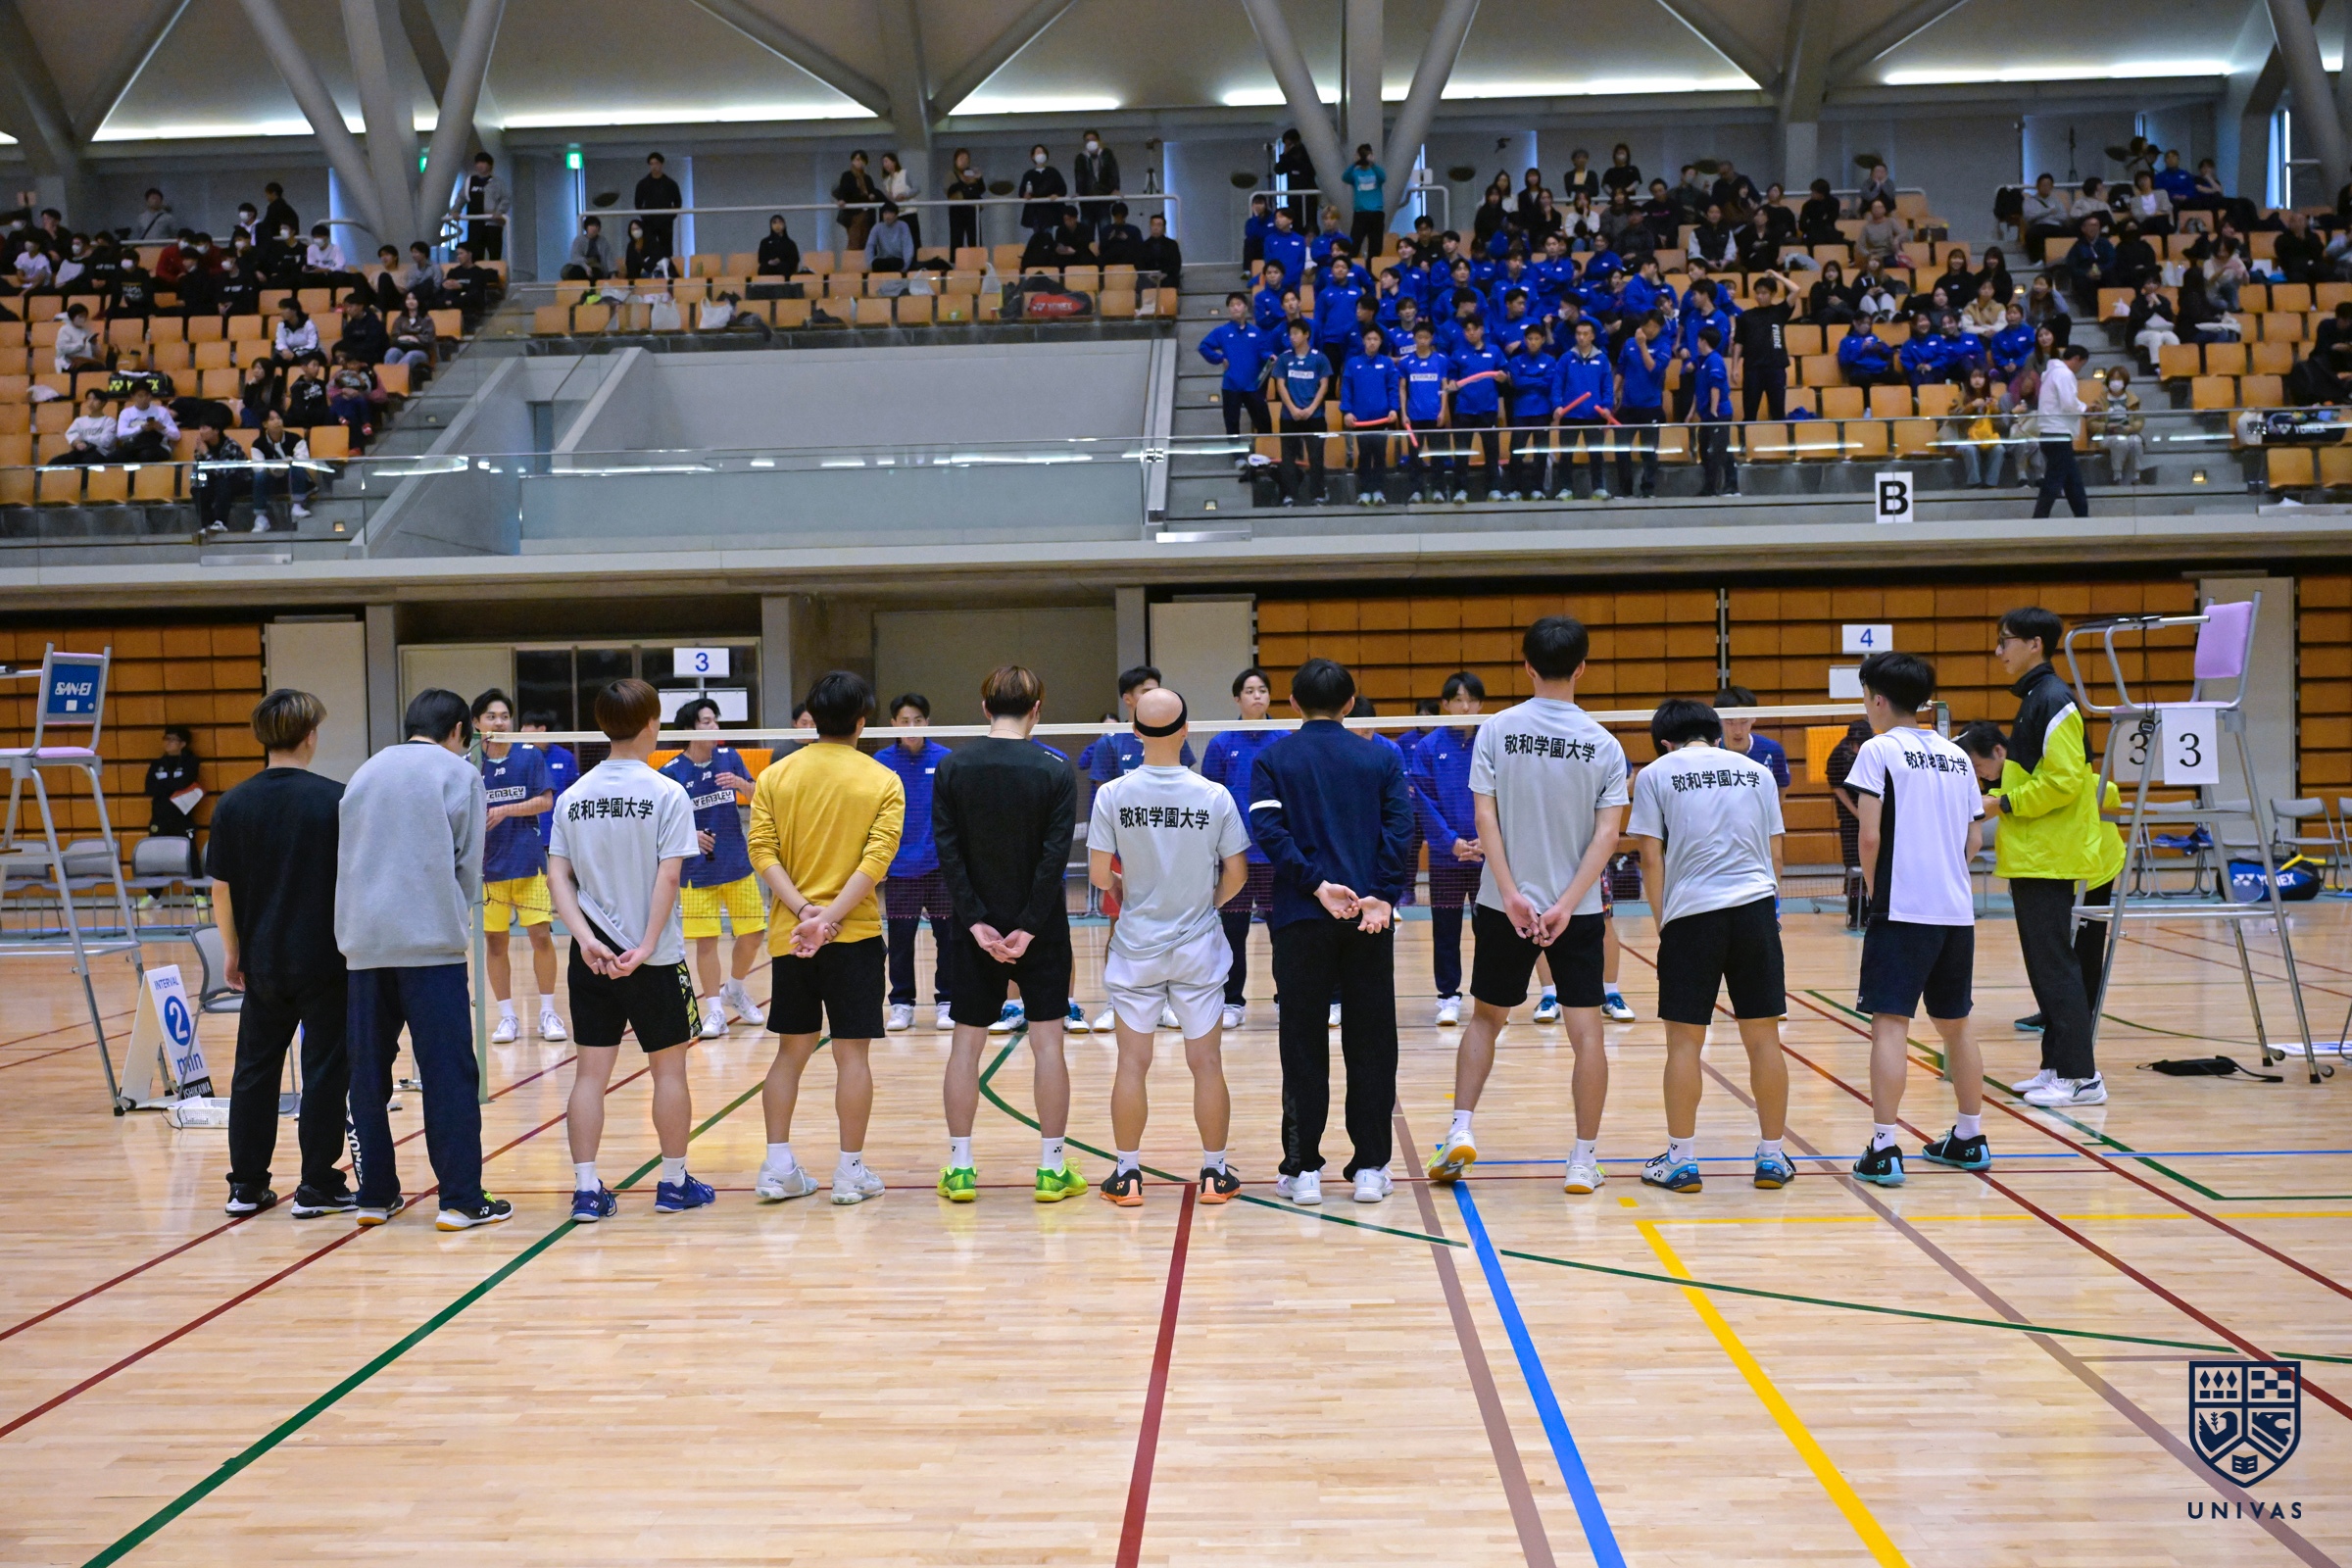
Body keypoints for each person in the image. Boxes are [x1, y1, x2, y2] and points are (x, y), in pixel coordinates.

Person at [1423, 618, 1627, 1196]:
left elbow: (1484, 817)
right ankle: (1583, 1160)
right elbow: (1607, 836)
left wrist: (1511, 892)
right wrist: (1566, 903)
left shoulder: (1495, 730)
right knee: (1587, 1032)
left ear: (1527, 666)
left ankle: (1460, 1128)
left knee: (1487, 1018)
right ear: (1582, 667)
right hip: (1576, 913)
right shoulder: (1604, 744)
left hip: (1501, 905)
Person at [337, 689, 509, 1231]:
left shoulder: (365, 772)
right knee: (447, 1073)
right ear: (459, 730)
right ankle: (461, 1199)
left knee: (367, 1075)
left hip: (363, 947)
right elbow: (469, 862)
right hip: (430, 946)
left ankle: (374, 1195)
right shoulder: (460, 774)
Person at [544, 678, 709, 1222]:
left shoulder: (573, 796)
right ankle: (673, 1183)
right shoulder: (667, 793)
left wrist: (586, 939)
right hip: (653, 960)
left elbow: (558, 877)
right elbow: (668, 878)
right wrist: (645, 946)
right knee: (669, 1072)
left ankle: (586, 1190)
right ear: (652, 723)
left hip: (591, 958)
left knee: (589, 1075)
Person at [1250, 658, 1414, 1206]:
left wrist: (1316, 885)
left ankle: (1303, 1172)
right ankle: (1370, 1168)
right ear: (1349, 704)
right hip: (1370, 919)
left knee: (1301, 1041)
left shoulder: (1273, 758)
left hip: (1300, 919)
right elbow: (1400, 829)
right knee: (1371, 1041)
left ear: (1293, 703)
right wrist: (1382, 895)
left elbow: (1269, 831)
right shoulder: (1381, 757)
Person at [738, 671, 904, 1207]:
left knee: (790, 1052)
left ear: (812, 718)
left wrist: (804, 912)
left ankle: (777, 1168)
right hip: (852, 936)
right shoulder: (882, 780)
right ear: (862, 721)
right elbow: (876, 862)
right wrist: (829, 917)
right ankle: (850, 1172)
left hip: (793, 937)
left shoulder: (775, 777)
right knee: (852, 1056)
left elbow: (761, 851)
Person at [1620, 698, 1793, 1193]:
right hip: (1756, 912)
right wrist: (1767, 912)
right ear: (1715, 734)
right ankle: (1772, 1157)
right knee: (1764, 1038)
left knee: (1684, 1043)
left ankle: (1681, 1160)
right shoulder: (1756, 772)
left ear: (1664, 742)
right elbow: (1776, 853)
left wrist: (1665, 924)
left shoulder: (1655, 774)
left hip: (1691, 917)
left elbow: (1650, 857)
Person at [1088, 687, 1250, 1205]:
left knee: (1131, 1064)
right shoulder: (1214, 796)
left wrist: (1124, 893)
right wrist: (1206, 904)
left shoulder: (1112, 795)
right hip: (1199, 948)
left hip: (1136, 947)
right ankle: (1215, 1174)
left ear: (1135, 732)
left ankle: (1127, 1175)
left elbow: (1098, 874)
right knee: (1207, 1063)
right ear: (1186, 730)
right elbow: (1237, 874)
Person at [933, 665, 1085, 1202]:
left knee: (965, 1046)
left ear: (985, 707)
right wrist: (1028, 926)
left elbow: (948, 852)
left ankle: (960, 1168)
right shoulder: (1056, 768)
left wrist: (975, 920)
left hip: (972, 931)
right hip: (1041, 932)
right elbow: (1054, 857)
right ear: (1037, 708)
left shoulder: (952, 766)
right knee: (1048, 1045)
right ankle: (1051, 1169)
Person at [1842, 653, 1991, 1185]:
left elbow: (1869, 835)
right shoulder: (1956, 755)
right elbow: (1974, 839)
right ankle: (1970, 1136)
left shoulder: (1878, 750)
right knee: (1956, 1025)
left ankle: (1884, 1148)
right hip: (1955, 912)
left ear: (1878, 699)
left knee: (1890, 1024)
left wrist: (1878, 891)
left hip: (1901, 908)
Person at [1979, 608, 2124, 1107]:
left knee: (2057, 967)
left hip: (2052, 855)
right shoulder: (2036, 698)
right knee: (2046, 968)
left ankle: (2082, 1077)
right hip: (2033, 853)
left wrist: (2003, 803)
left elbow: (2062, 782)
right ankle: (2057, 1066)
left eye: (2006, 641)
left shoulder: (2054, 700)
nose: (1999, 651)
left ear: (2035, 644)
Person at [660, 698, 768, 1040]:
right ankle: (714, 1012)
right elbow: (660, 825)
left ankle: (734, 989)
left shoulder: (730, 757)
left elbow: (758, 796)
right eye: (706, 722)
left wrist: (740, 784)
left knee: (754, 934)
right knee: (706, 943)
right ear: (689, 729)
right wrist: (689, 835)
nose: (715, 727)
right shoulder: (671, 773)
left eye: (715, 721)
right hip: (697, 872)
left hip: (736, 863)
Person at [471, 688, 564, 1045]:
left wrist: (505, 810)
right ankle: (507, 1017)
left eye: (504, 716)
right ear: (477, 723)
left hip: (528, 863)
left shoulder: (529, 756)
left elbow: (545, 801)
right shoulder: (470, 764)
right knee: (495, 944)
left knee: (541, 937)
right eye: (491, 717)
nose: (499, 722)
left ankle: (547, 1012)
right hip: (486, 870)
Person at [1202, 666, 1281, 1029]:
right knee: (1233, 932)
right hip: (1234, 856)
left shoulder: (1284, 738)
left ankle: (1287, 998)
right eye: (1249, 691)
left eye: (1262, 690)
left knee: (1282, 930)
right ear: (1237, 699)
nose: (1256, 696)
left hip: (1275, 853)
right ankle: (1232, 1001)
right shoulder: (1222, 743)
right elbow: (1209, 797)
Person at [1409, 671, 1483, 1025]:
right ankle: (1448, 997)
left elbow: (1506, 795)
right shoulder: (1428, 747)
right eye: (1458, 700)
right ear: (1446, 704)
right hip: (1445, 859)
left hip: (1488, 857)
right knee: (1446, 930)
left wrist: (1489, 840)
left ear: (1481, 704)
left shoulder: (1492, 743)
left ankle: (1489, 997)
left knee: (1491, 930)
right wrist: (1450, 842)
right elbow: (1424, 802)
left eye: (1471, 700)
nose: (1465, 707)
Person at [878, 693, 956, 1032]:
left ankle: (947, 1001)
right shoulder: (881, 762)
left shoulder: (945, 759)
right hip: (899, 870)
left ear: (927, 722)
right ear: (893, 724)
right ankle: (902, 1003)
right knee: (900, 940)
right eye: (904, 721)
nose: (911, 726)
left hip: (939, 868)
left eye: (918, 720)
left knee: (948, 938)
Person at [1200, 292, 1275, 453]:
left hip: (1253, 386)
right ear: (1228, 309)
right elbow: (1204, 346)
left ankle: (1266, 452)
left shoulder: (1256, 332)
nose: (1235, 308)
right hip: (1231, 385)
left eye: (1238, 304)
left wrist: (1270, 356)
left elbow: (1263, 351)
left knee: (1264, 421)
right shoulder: (1222, 331)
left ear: (1245, 307)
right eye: (1232, 305)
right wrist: (1219, 358)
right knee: (1232, 422)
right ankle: (1237, 455)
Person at [1271, 318, 1332, 505]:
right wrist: (1292, 408)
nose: (1292, 337)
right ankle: (1290, 495)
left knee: (1316, 457)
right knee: (1288, 458)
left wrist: (1311, 408)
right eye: (1290, 334)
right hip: (1289, 417)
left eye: (1296, 333)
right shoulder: (1284, 359)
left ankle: (1318, 494)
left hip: (1315, 417)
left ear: (1306, 335)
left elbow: (1324, 385)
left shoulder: (1319, 358)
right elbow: (1280, 385)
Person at [1341, 322, 1401, 503]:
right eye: (1369, 339)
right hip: (1360, 419)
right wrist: (1347, 411)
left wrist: (1394, 409)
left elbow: (1393, 388)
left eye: (1375, 339)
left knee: (1380, 455)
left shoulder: (1387, 363)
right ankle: (1364, 491)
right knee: (1364, 455)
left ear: (1381, 341)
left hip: (1382, 419)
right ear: (1363, 341)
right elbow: (1346, 389)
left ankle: (1379, 491)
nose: (1372, 342)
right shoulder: (1353, 363)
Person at [2033, 343, 2089, 518]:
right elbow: (2069, 403)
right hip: (2058, 433)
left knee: (2072, 481)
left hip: (2050, 432)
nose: (2079, 369)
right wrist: (2085, 408)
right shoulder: (2064, 374)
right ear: (2077, 359)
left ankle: (2082, 516)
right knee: (2053, 481)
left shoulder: (2050, 374)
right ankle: (2039, 518)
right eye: (2082, 365)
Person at [518, 711, 577, 846]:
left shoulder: (565, 757)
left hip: (559, 833)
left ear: (541, 729)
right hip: (526, 836)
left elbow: (574, 794)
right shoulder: (519, 757)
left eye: (527, 726)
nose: (521, 730)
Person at [1690, 322, 1735, 496]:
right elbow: (1699, 390)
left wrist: (1714, 410)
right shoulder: (1703, 361)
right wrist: (1692, 412)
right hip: (1707, 415)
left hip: (1718, 414)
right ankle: (1711, 486)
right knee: (1705, 448)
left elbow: (1715, 386)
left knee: (1719, 451)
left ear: (1703, 341)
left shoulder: (1714, 360)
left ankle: (1725, 486)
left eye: (1699, 340)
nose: (1697, 343)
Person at [248, 410, 313, 528]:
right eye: (272, 419)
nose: (277, 422)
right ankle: (260, 518)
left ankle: (297, 506)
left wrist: (288, 462)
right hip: (271, 481)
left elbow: (303, 460)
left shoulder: (295, 438)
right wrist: (272, 468)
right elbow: (258, 467)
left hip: (292, 478)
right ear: (265, 424)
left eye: (279, 418)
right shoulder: (258, 444)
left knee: (297, 466)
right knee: (259, 476)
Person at [145, 723, 202, 842]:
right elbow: (149, 788)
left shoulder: (190, 762)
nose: (168, 742)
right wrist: (173, 784)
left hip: (182, 817)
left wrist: (162, 784)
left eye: (173, 739)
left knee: (186, 850)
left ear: (183, 744)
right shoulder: (157, 764)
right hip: (160, 817)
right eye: (166, 739)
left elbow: (183, 783)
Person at [1073, 131, 1119, 238]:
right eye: (1087, 140)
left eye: (1093, 139)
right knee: (1086, 234)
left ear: (1099, 141)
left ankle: (1105, 249)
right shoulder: (1081, 157)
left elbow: (1113, 172)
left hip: (1103, 198)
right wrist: (1078, 192)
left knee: (1105, 231)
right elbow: (1079, 176)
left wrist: (1115, 188)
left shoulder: (1107, 154)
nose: (1090, 142)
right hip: (1086, 200)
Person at [1345, 142, 1387, 257]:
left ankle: (1372, 267)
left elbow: (1383, 177)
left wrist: (1373, 163)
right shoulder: (1356, 173)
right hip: (1360, 213)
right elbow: (1345, 177)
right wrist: (1354, 163)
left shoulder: (1376, 171)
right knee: (1354, 245)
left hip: (1376, 213)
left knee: (1375, 247)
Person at [1016, 144, 1066, 235]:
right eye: (1038, 152)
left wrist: (1056, 195)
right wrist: (1025, 195)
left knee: (1048, 234)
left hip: (1050, 210)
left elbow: (1063, 189)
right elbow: (1021, 192)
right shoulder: (1028, 174)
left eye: (1042, 152)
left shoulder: (1053, 172)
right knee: (1037, 235)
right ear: (1032, 156)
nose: (1040, 154)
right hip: (1035, 211)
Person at [945, 149, 986, 253]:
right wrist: (963, 181)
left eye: (966, 159)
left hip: (972, 209)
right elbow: (949, 191)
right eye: (961, 158)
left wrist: (979, 178)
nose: (964, 161)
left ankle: (977, 260)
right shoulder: (951, 174)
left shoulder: (972, 173)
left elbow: (981, 190)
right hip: (957, 210)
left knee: (975, 239)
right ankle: (956, 261)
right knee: (957, 239)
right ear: (955, 161)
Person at [1136, 211, 1183, 287]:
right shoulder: (1143, 246)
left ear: (1164, 228)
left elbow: (1176, 264)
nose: (1156, 228)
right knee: (1142, 283)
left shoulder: (1172, 244)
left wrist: (1164, 275)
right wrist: (1149, 275)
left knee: (1171, 281)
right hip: (1148, 279)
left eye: (1159, 225)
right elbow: (1139, 265)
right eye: (1153, 225)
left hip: (1167, 278)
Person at [567, 216, 612, 280]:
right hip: (581, 265)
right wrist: (586, 267)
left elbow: (609, 257)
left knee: (596, 274)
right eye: (591, 226)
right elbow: (576, 257)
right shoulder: (579, 240)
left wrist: (613, 273)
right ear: (586, 227)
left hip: (597, 267)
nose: (594, 228)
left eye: (596, 226)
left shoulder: (603, 241)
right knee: (576, 272)